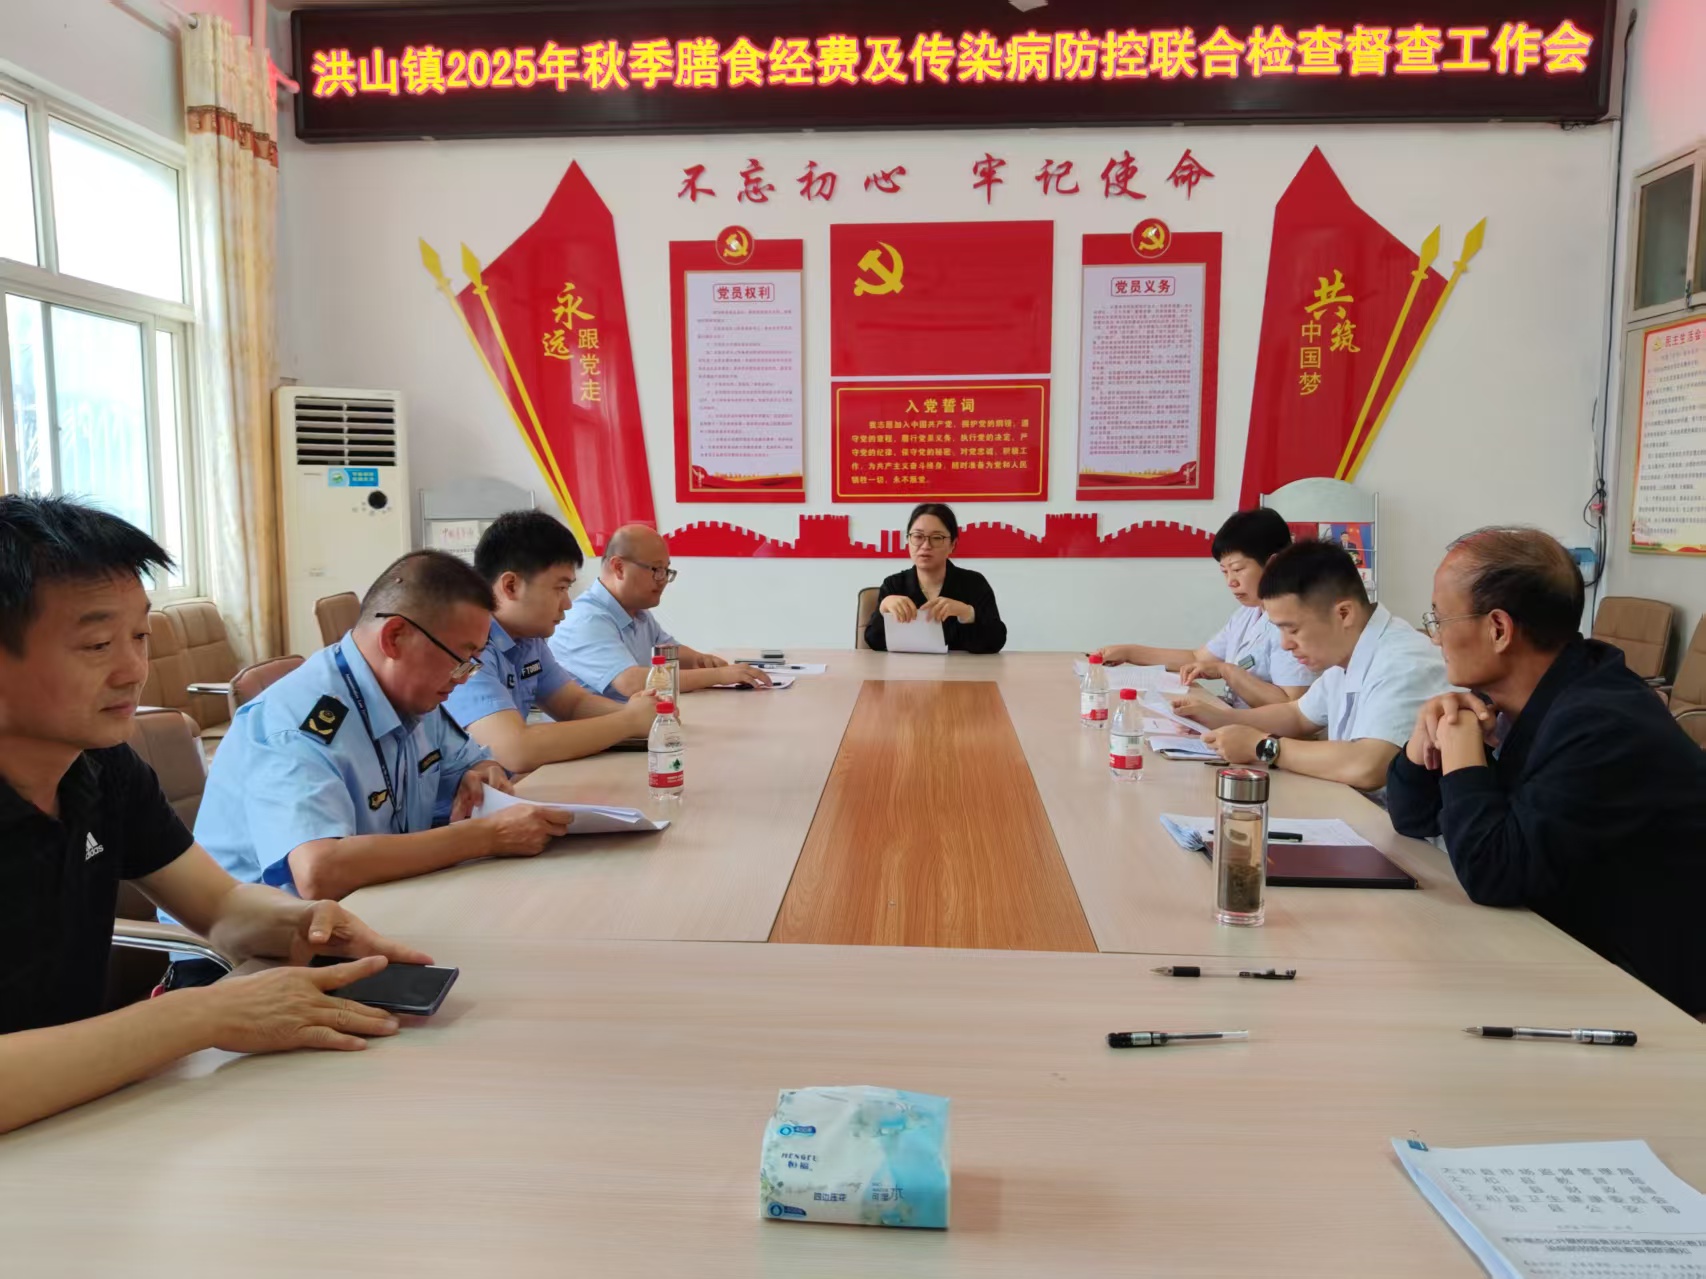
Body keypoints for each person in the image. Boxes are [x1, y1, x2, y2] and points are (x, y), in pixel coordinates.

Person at [0, 496, 430, 1135]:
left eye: (141, 636)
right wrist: (203, 1015)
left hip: (85, 1118)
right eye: (97, 644)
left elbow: (220, 906)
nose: (134, 670)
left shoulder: (103, 768)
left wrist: (301, 923)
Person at [1386, 528, 1706, 1014]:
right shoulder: (1529, 695)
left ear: (1498, 629)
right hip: (1570, 945)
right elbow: (1411, 816)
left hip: (1647, 992)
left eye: (1439, 618)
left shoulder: (1600, 723)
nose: (1434, 636)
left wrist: (1463, 750)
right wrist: (1424, 739)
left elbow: (1494, 873)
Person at [191, 550, 572, 922]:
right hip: (259, 946)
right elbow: (319, 871)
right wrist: (486, 836)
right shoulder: (299, 724)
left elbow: (469, 762)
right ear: (395, 638)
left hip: (374, 910)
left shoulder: (415, 695)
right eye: (460, 659)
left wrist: (482, 774)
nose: (463, 677)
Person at [1174, 540, 1448, 794]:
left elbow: (1369, 765)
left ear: (1344, 613)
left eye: (1292, 629)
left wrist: (1263, 746)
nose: (1285, 644)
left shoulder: (1404, 661)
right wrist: (1217, 719)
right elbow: (1296, 715)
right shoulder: (1348, 651)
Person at [446, 511, 658, 773]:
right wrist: (629, 721)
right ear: (511, 586)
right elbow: (516, 749)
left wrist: (646, 714)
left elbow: (573, 704)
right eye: (560, 588)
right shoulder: (468, 647)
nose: (568, 604)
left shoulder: (527, 640)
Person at [1096, 507, 1314, 708]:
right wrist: (1129, 652)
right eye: (1224, 572)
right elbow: (1198, 658)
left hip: (1265, 733)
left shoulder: (1294, 622)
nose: (1231, 582)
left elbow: (1292, 706)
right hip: (1237, 723)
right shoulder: (1249, 613)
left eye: (1238, 569)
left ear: (1273, 564)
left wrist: (1226, 671)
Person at [549, 524, 771, 699]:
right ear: (619, 567)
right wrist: (718, 676)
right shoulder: (586, 620)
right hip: (599, 736)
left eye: (666, 570)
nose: (663, 580)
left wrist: (702, 660)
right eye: (656, 569)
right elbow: (632, 682)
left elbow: (670, 653)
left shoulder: (638, 612)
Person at [865, 503, 1007, 653]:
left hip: (961, 668)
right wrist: (883, 609)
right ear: (908, 540)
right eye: (918, 536)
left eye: (937, 538)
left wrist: (967, 613)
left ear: (953, 545)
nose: (926, 545)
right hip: (908, 667)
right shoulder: (894, 585)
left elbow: (996, 642)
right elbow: (874, 642)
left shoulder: (973, 583)